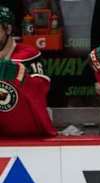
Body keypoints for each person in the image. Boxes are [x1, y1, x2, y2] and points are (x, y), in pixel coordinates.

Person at [0, 6, 56, 137]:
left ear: (8, 29)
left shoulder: (29, 55)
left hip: (33, 139)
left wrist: (19, 75)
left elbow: (40, 91)